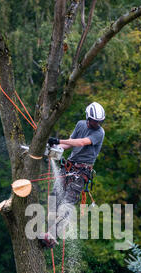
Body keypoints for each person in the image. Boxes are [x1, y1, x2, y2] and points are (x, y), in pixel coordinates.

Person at [40, 102, 105, 248]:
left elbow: (82, 142)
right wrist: (55, 148)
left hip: (82, 172)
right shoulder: (81, 125)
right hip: (69, 166)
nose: (97, 124)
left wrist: (58, 140)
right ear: (88, 118)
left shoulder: (99, 133)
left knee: (67, 203)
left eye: (99, 122)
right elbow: (70, 143)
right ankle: (49, 231)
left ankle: (52, 235)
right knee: (54, 198)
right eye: (94, 121)